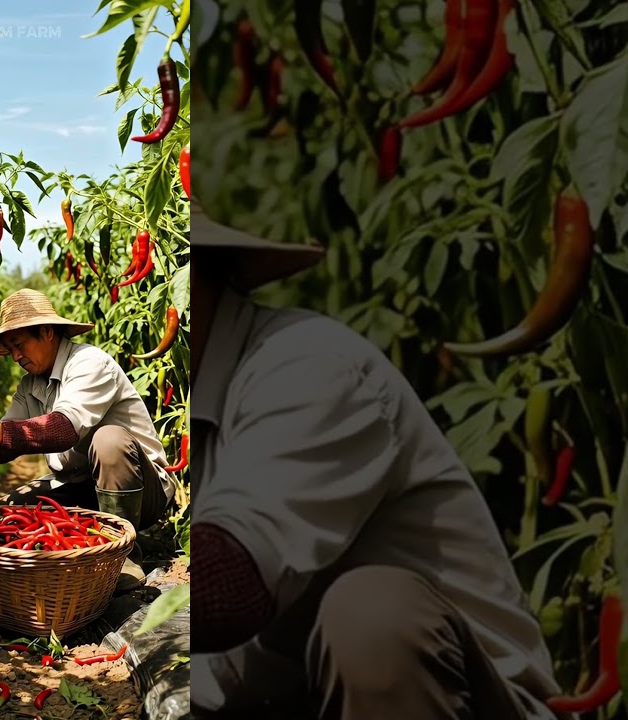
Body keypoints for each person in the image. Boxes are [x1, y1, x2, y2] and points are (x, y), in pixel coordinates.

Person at [188, 199, 566, 719]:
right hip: (309, 699)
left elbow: (229, 586)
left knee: (372, 616)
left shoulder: (304, 366)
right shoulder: (198, 405)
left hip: (462, 704)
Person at [0, 288, 181, 590]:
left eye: (19, 344)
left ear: (46, 331)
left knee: (109, 440)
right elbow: (8, 440)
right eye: (9, 349)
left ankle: (123, 555)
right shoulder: (30, 386)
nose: (16, 356)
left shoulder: (89, 363)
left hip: (143, 491)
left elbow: (62, 429)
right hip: (83, 487)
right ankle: (78, 552)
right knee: (14, 509)